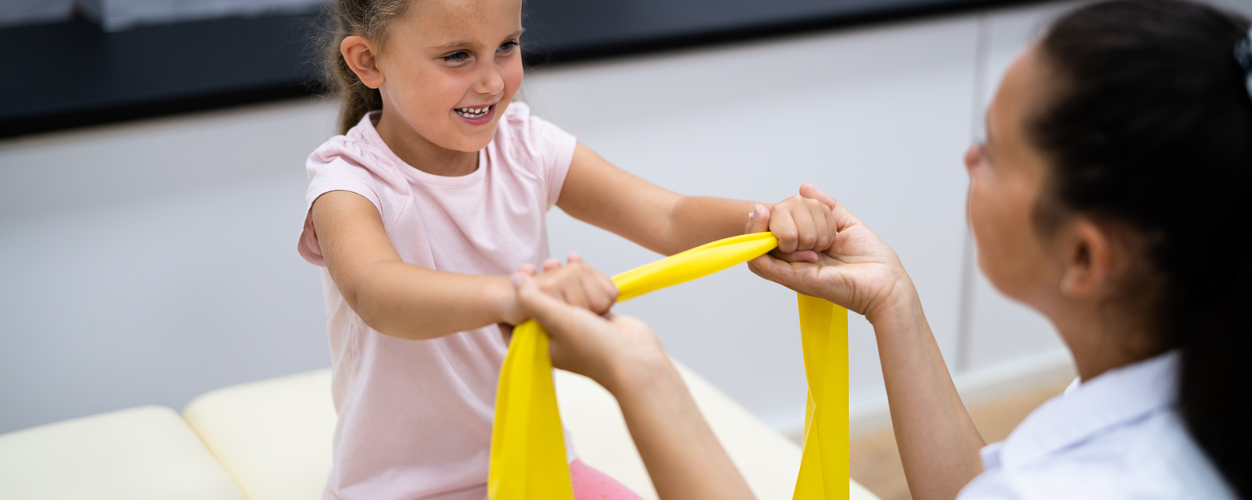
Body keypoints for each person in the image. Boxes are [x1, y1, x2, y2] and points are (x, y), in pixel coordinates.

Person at [510, 1, 1251, 498]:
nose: (966, 159)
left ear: (1087, 259)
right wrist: (893, 302)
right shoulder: (1175, 384)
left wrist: (641, 375)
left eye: (991, 151)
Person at [295, 0, 839, 498]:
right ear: (367, 61)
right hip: (398, 490)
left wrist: (766, 218)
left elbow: (668, 217)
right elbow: (377, 291)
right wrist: (519, 295)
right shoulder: (347, 179)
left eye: (507, 46)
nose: (491, 81)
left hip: (540, 461)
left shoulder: (526, 145)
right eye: (457, 56)